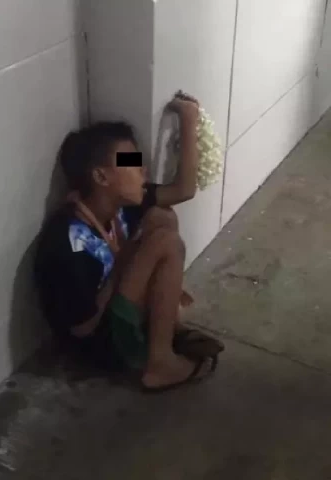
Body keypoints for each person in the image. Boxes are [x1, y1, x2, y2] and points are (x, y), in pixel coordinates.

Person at [34, 91, 222, 393]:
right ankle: (159, 363)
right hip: (98, 345)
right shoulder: (68, 242)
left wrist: (189, 118)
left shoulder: (119, 204)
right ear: (101, 177)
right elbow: (82, 329)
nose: (142, 171)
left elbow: (184, 189)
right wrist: (124, 264)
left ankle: (166, 331)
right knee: (166, 242)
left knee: (162, 217)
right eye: (132, 163)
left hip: (120, 311)